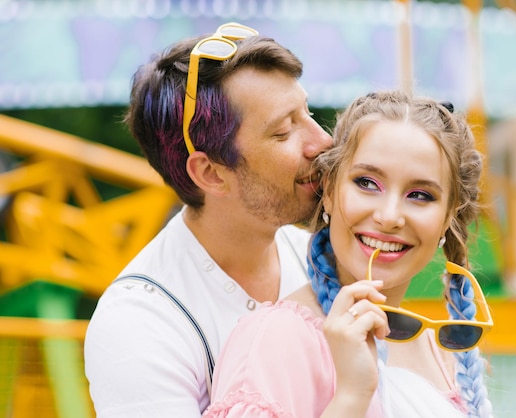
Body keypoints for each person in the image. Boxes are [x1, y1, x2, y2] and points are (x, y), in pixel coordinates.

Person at [84, 22, 332, 417]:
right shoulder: (140, 324)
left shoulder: (319, 257)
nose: (323, 142)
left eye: (309, 112)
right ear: (211, 174)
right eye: (284, 131)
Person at [202, 91, 494, 417]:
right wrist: (352, 396)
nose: (389, 216)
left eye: (420, 195)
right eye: (367, 183)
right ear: (328, 190)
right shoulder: (275, 341)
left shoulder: (438, 350)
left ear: (449, 217)